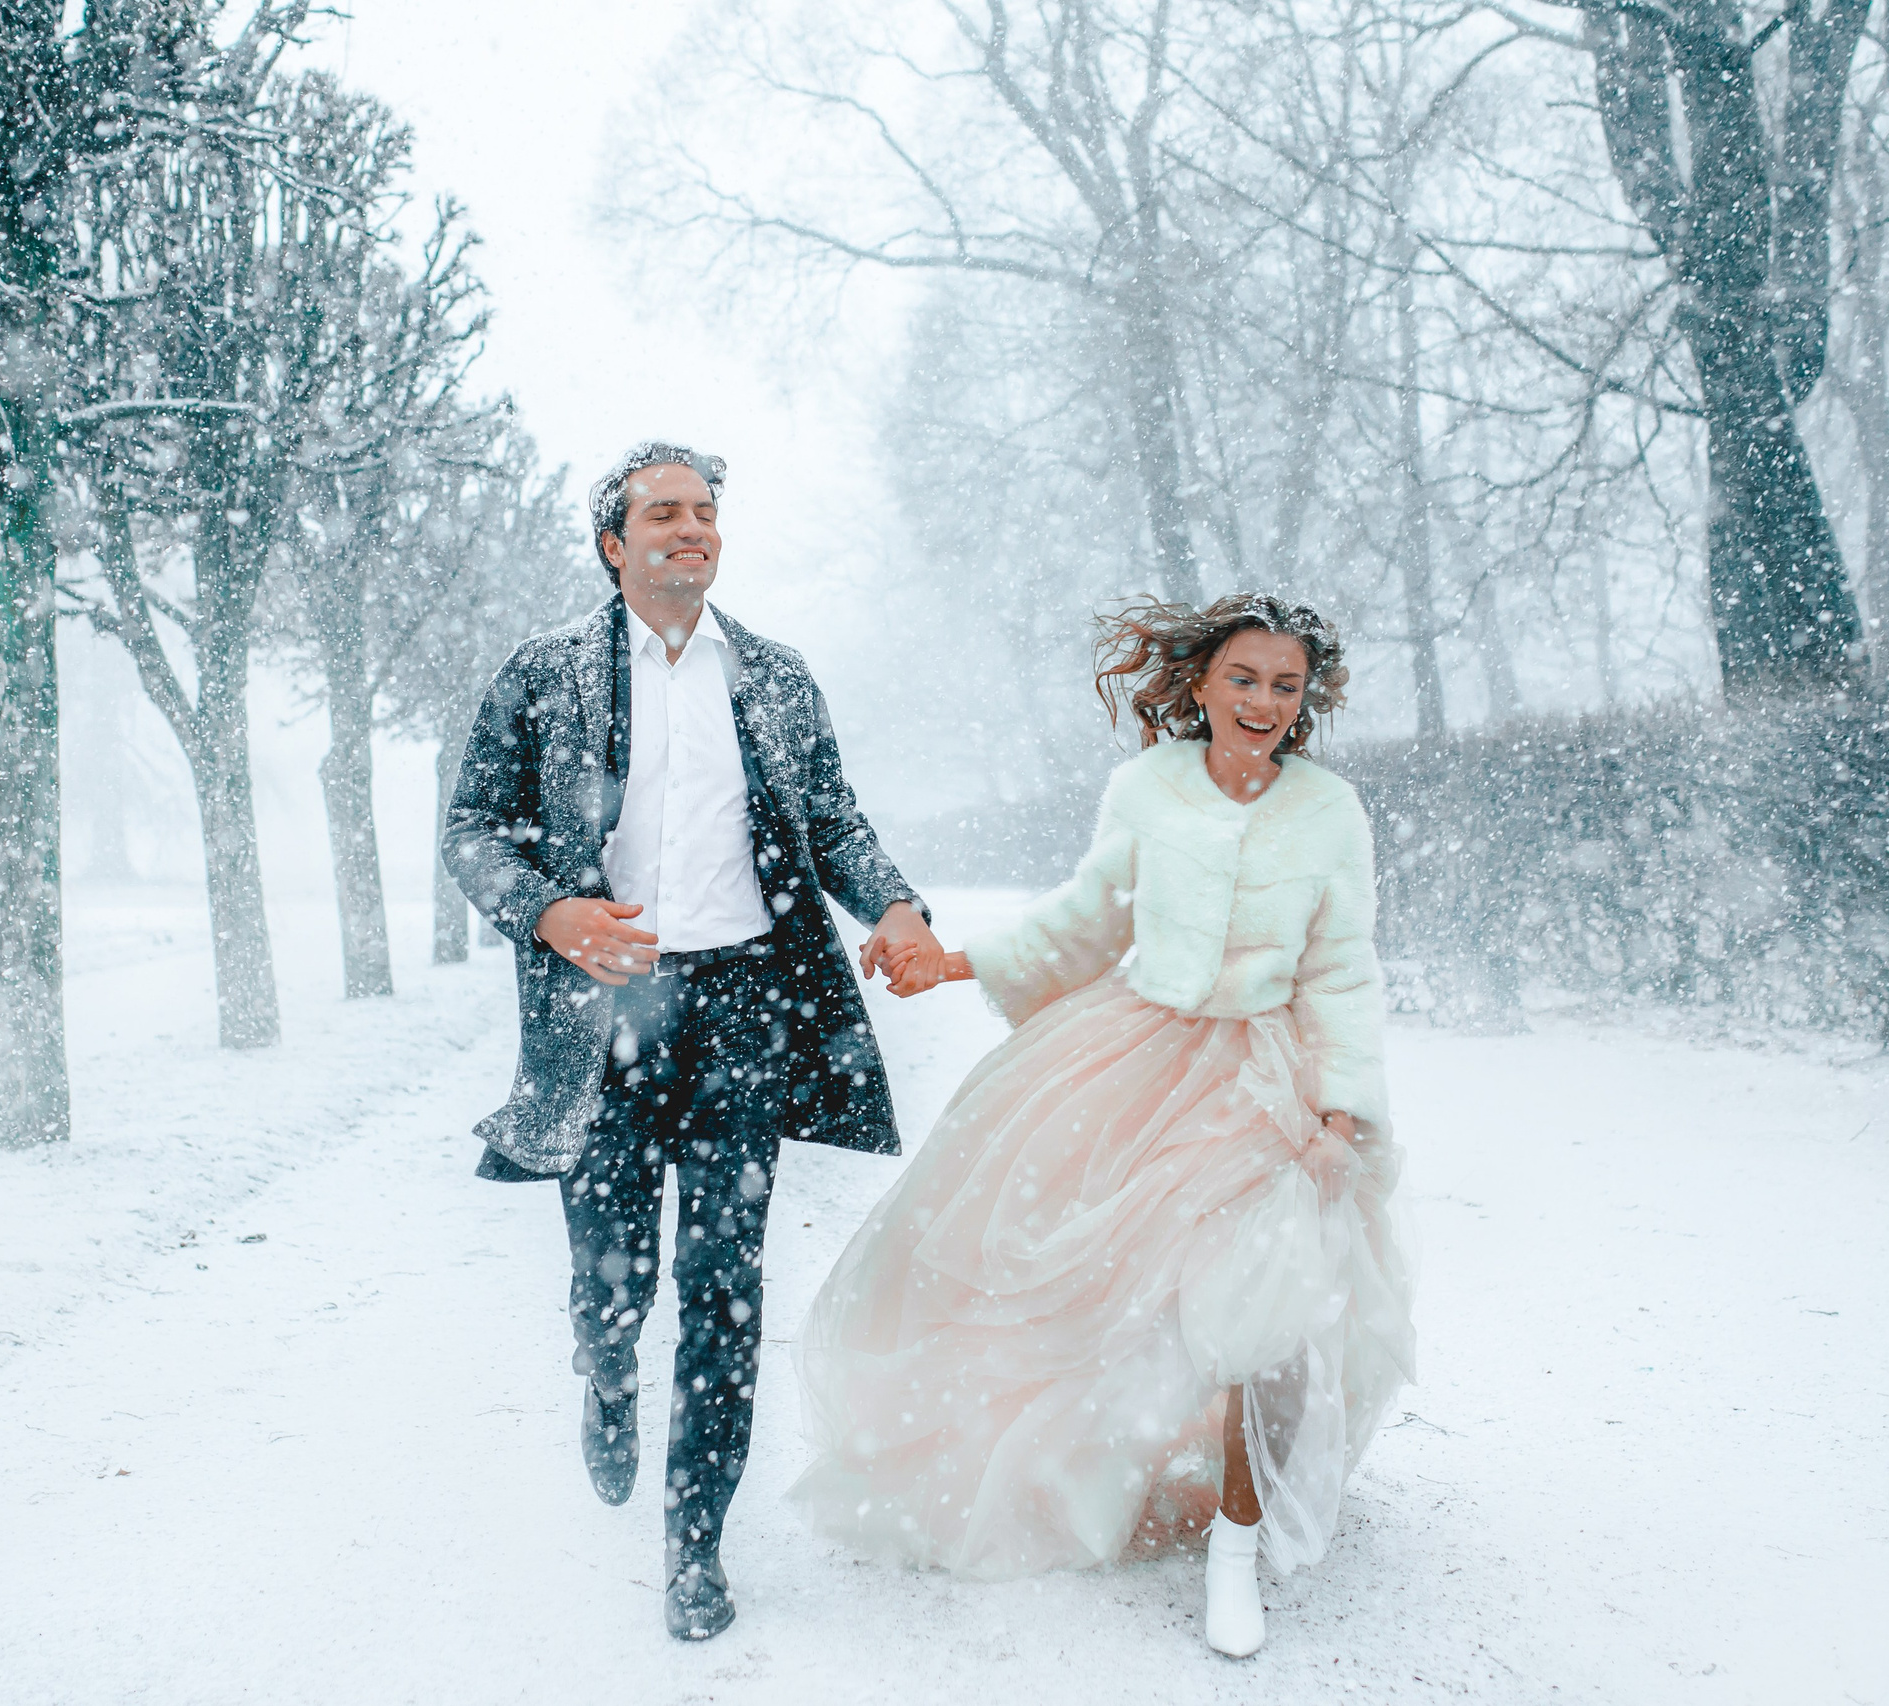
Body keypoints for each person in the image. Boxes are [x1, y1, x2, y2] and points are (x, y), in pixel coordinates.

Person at [794, 592, 1415, 1658]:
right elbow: (1086, 922)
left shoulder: (1329, 812)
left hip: (1268, 1078)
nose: (1263, 701)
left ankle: (1236, 1545)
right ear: (1201, 684)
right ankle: (1124, 1464)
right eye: (1243, 677)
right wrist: (953, 962)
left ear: (1304, 700)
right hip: (1136, 1055)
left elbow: (1342, 969)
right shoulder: (1148, 789)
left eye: (1285, 684)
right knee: (1106, 1293)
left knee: (1268, 1303)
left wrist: (1340, 1110)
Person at [441, 441, 944, 1642]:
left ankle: (695, 1546)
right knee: (614, 1278)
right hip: (604, 1015)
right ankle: (608, 1370)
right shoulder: (544, 672)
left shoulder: (773, 675)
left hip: (743, 1015)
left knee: (726, 1288)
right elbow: (472, 827)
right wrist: (548, 912)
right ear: (612, 543)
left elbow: (831, 818)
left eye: (704, 511)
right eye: (662, 511)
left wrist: (895, 906)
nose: (690, 527)